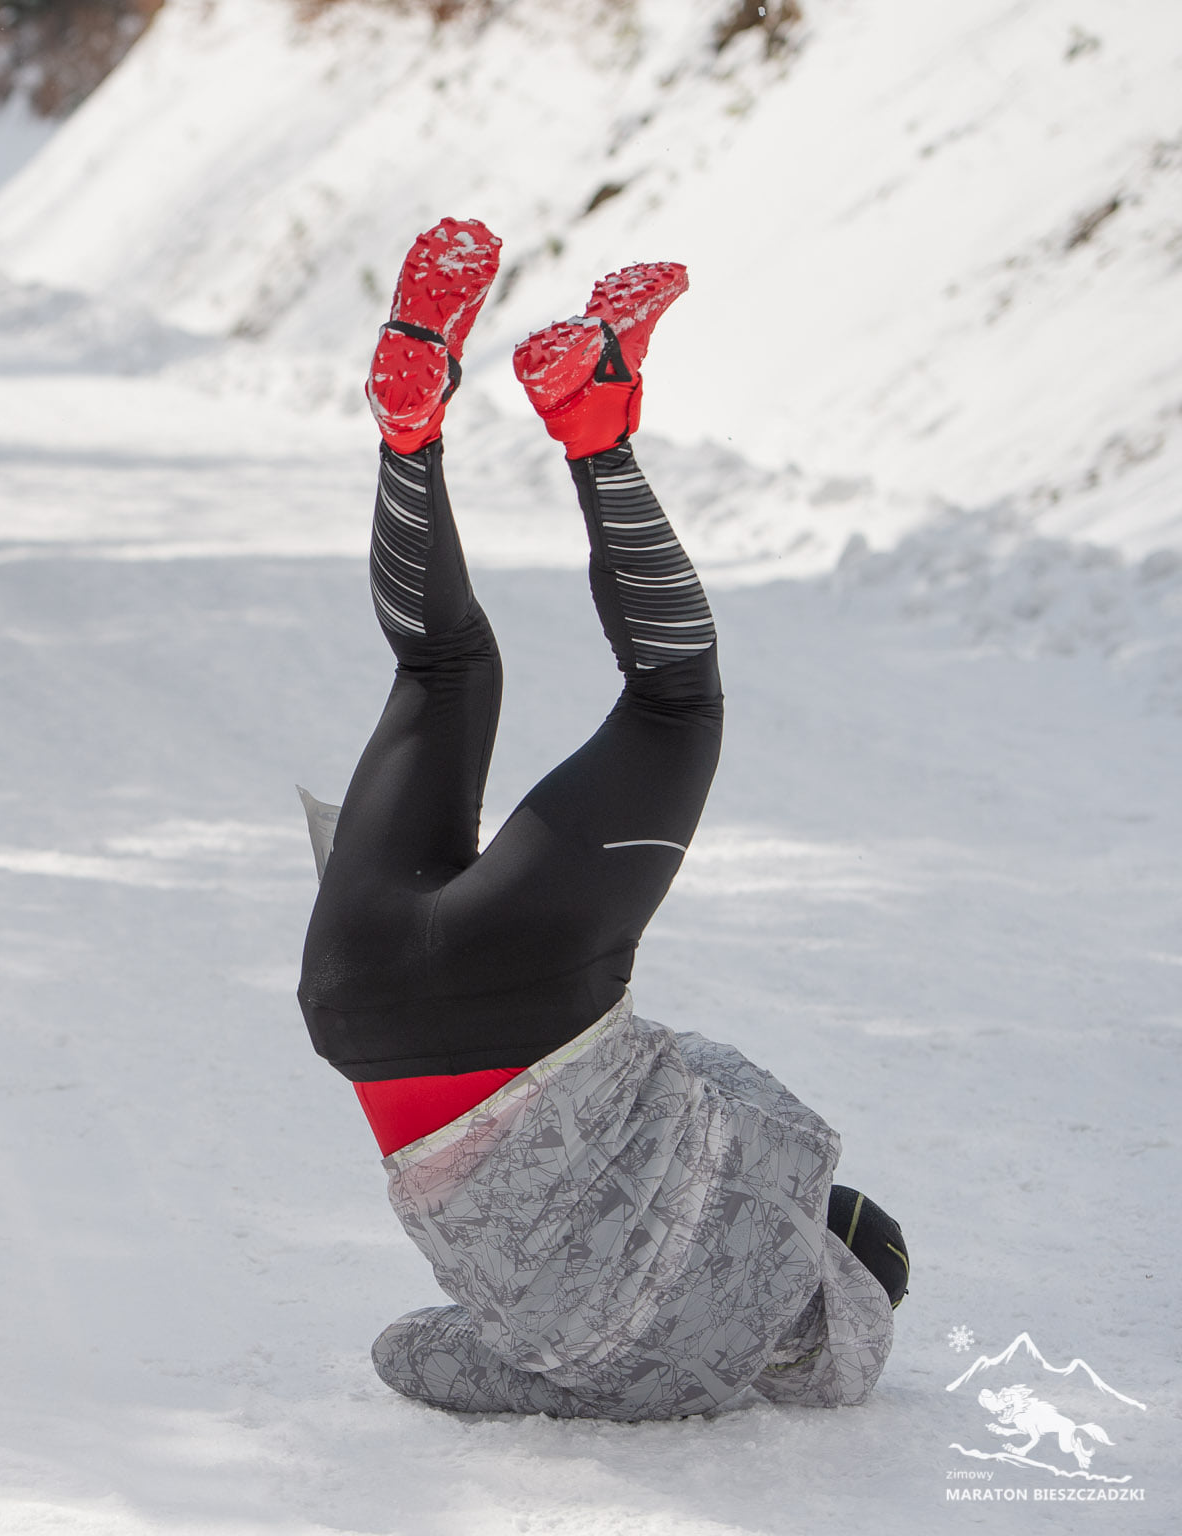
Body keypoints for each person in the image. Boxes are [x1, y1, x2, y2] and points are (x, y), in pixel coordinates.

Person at [296, 218, 908, 1421]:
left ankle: (583, 426)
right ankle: (408, 428)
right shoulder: (603, 1375)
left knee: (667, 700)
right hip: (358, 1003)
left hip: (534, 999)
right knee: (434, 667)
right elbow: (404, 1350)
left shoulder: (777, 1170)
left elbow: (720, 1078)